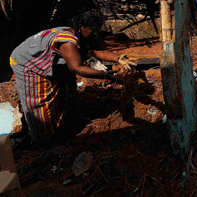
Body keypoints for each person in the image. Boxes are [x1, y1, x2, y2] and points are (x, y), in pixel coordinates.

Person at [9, 11, 137, 143]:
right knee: (39, 101)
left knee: (65, 91)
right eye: (93, 29)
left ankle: (64, 125)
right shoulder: (67, 40)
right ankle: (42, 139)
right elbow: (76, 67)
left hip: (50, 63)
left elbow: (98, 51)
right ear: (81, 27)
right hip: (27, 63)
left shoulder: (88, 36)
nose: (96, 33)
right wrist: (105, 75)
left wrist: (119, 58)